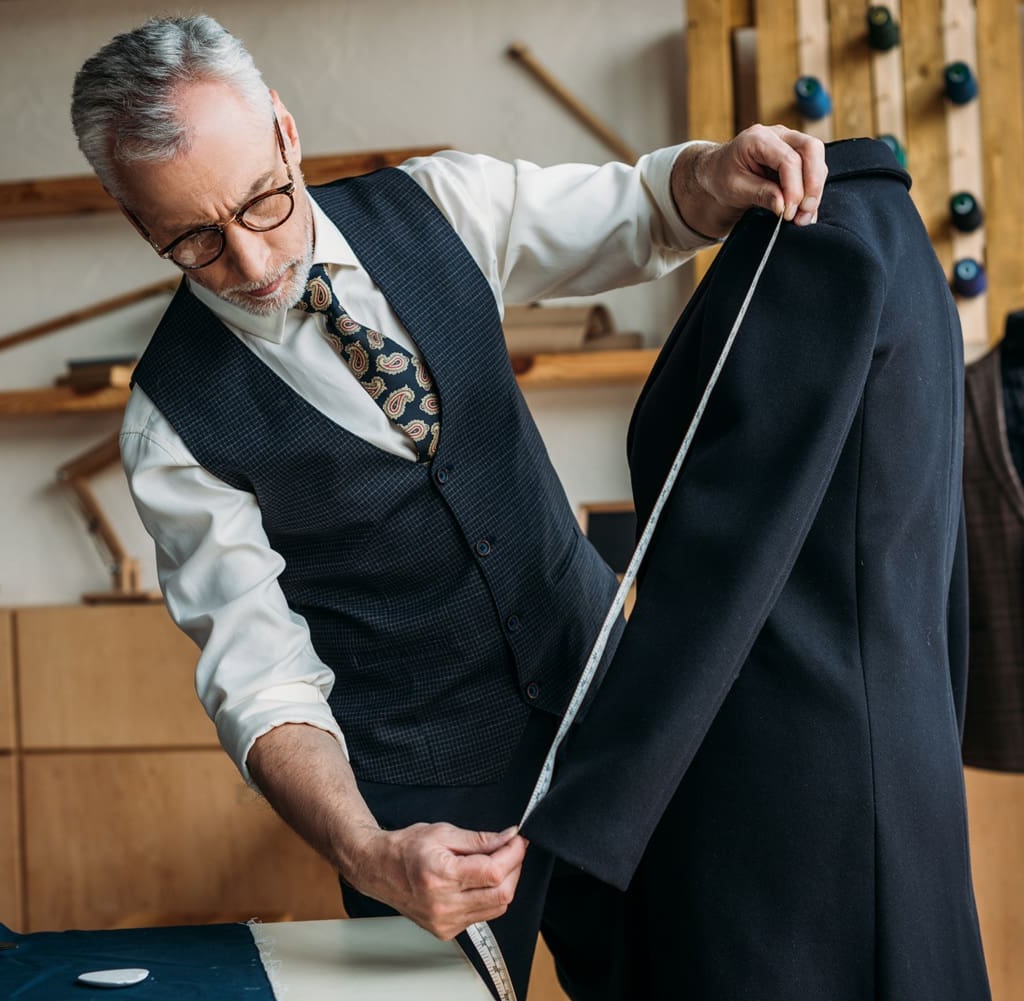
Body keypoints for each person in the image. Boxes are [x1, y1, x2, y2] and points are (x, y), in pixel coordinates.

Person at [69, 14, 828, 999]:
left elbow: (640, 208)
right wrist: (367, 848)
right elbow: (260, 683)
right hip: (416, 812)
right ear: (138, 223)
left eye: (262, 200)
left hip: (613, 713)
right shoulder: (170, 426)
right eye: (195, 241)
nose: (252, 265)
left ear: (288, 135)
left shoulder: (438, 206)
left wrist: (718, 171)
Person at [522, 139, 994, 999]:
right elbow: (938, 567)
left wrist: (579, 825)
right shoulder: (904, 247)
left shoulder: (816, 244)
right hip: (892, 769)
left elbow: (718, 565)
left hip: (783, 804)